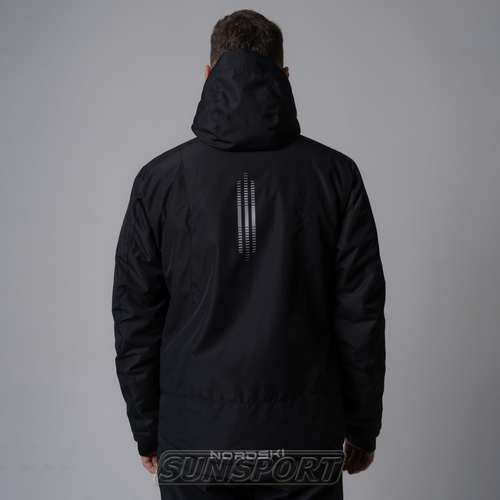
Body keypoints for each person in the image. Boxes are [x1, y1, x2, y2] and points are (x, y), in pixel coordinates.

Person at [112, 9, 386, 500]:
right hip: (303, 439)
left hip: (195, 440)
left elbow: (136, 316)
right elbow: (360, 314)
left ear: (208, 75)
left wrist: (148, 429)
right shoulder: (335, 175)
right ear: (284, 75)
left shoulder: (159, 181)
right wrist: (362, 425)